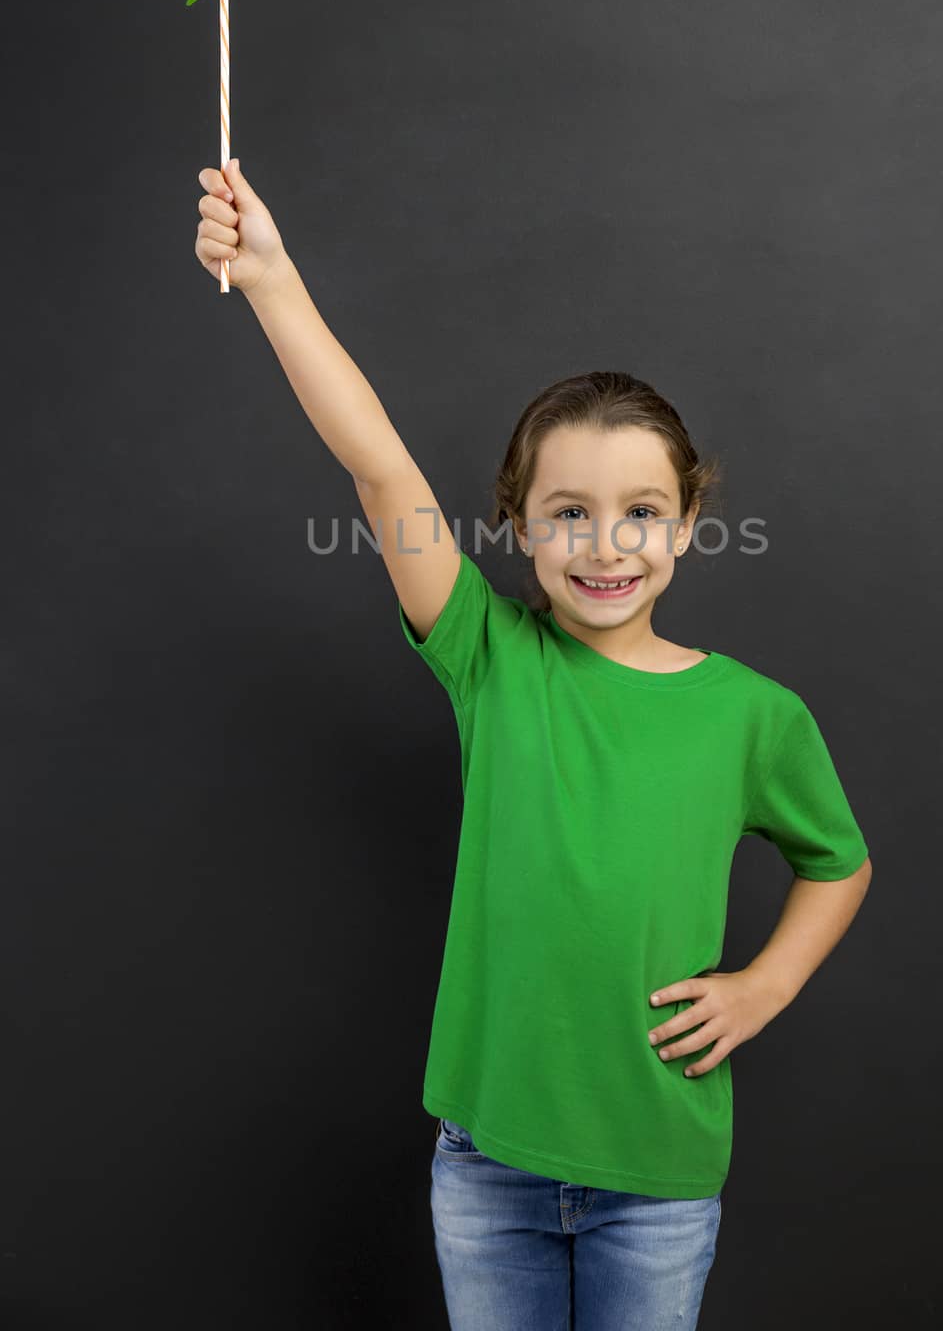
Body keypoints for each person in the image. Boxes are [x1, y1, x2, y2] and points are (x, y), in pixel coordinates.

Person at [194, 159, 874, 1331]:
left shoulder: (753, 713)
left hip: (657, 1177)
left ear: (687, 526)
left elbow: (837, 862)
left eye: (639, 512)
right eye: (567, 512)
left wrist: (764, 985)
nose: (603, 544)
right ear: (514, 524)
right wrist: (271, 279)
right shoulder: (490, 658)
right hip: (488, 1167)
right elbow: (378, 463)